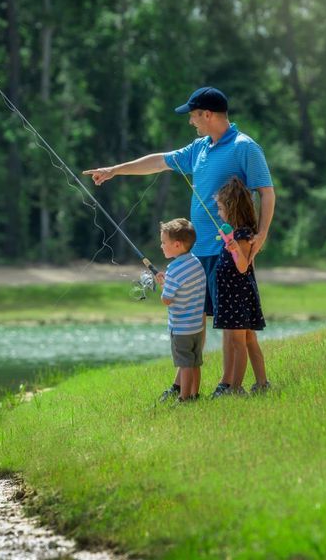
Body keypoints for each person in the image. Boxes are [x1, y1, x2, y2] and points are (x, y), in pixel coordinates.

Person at [84, 86, 275, 399]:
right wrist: (114, 170)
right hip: (196, 253)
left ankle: (228, 385)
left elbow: (266, 192)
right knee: (192, 316)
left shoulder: (245, 148)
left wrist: (261, 235)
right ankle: (180, 386)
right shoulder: (199, 148)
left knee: (231, 323)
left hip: (229, 251)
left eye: (194, 116)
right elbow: (159, 161)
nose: (191, 123)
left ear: (208, 114)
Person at [213, 176, 270, 396]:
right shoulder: (234, 234)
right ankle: (262, 383)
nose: (218, 213)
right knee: (248, 339)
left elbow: (243, 266)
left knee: (240, 343)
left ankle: (236, 387)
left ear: (231, 208)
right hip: (233, 296)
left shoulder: (243, 235)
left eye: (220, 208)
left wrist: (235, 248)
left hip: (238, 296)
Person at [156, 218, 206, 402]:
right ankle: (194, 394)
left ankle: (184, 398)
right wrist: (168, 282)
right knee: (195, 363)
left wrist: (164, 286)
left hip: (181, 328)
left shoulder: (173, 270)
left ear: (176, 245)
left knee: (185, 364)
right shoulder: (195, 263)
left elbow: (167, 299)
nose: (161, 246)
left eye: (163, 242)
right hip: (196, 327)